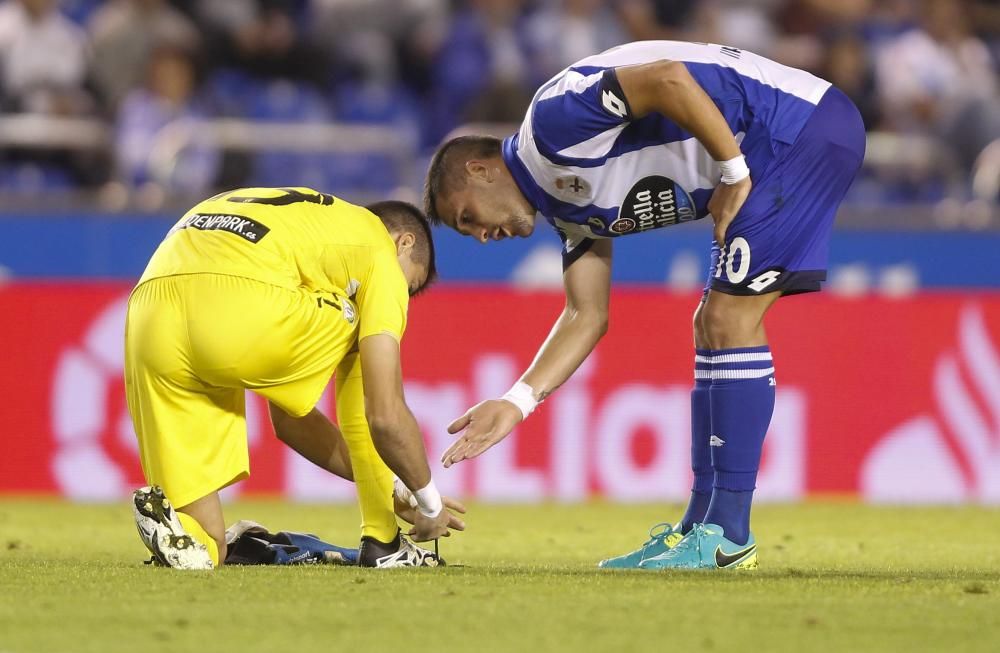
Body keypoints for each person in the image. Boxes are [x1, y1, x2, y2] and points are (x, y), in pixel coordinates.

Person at [424, 41, 865, 570]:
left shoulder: (554, 124)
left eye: (467, 217)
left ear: (479, 170)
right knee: (710, 323)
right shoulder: (565, 207)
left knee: (729, 319)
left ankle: (726, 534)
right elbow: (587, 314)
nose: (479, 236)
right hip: (776, 146)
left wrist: (732, 172)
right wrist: (516, 402)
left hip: (794, 132)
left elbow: (665, 77)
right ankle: (699, 527)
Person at [126, 187, 465, 570]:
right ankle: (383, 543)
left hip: (146, 315)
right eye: (409, 287)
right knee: (366, 332)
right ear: (405, 242)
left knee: (205, 550)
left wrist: (388, 484)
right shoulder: (378, 248)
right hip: (239, 301)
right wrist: (427, 499)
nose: (400, 300)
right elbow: (383, 413)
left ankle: (173, 527)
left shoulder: (310, 230)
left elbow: (290, 422)